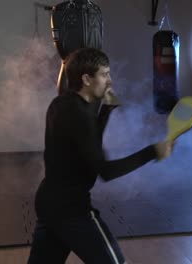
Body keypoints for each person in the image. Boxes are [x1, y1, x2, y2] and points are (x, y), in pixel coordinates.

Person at [28, 48, 173, 264]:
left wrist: (106, 111)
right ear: (87, 79)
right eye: (104, 74)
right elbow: (105, 170)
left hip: (49, 202)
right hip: (72, 209)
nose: (110, 81)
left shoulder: (62, 104)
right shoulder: (79, 115)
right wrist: (152, 152)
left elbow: (88, 143)